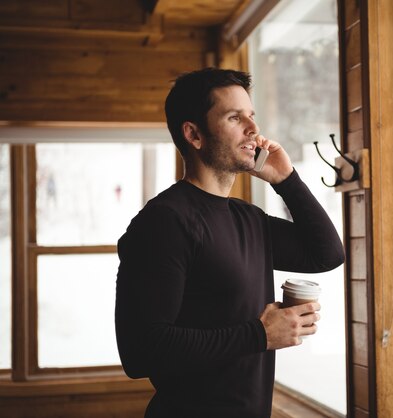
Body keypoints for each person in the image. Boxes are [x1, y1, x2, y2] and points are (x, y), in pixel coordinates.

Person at [114, 68, 345, 418]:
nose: (253, 129)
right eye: (235, 117)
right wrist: (260, 335)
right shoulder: (163, 222)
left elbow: (326, 253)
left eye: (251, 116)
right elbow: (141, 352)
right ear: (194, 134)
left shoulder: (247, 218)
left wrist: (286, 179)